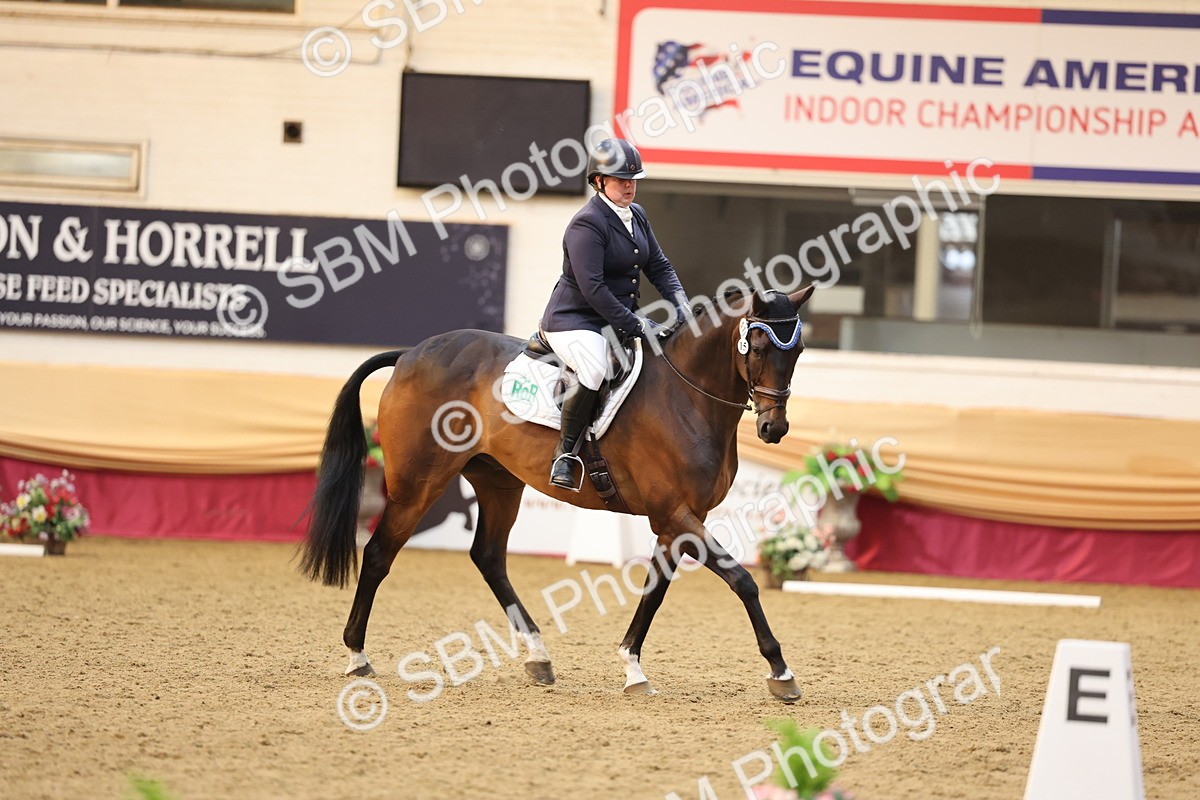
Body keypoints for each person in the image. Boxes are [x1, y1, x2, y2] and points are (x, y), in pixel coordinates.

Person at [539, 138, 690, 491]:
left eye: (633, 178)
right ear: (598, 182)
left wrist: (680, 301)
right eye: (621, 179)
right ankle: (565, 453)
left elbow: (659, 265)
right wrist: (637, 324)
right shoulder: (586, 225)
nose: (629, 185)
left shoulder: (637, 214)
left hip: (615, 318)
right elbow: (594, 290)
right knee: (594, 367)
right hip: (574, 320)